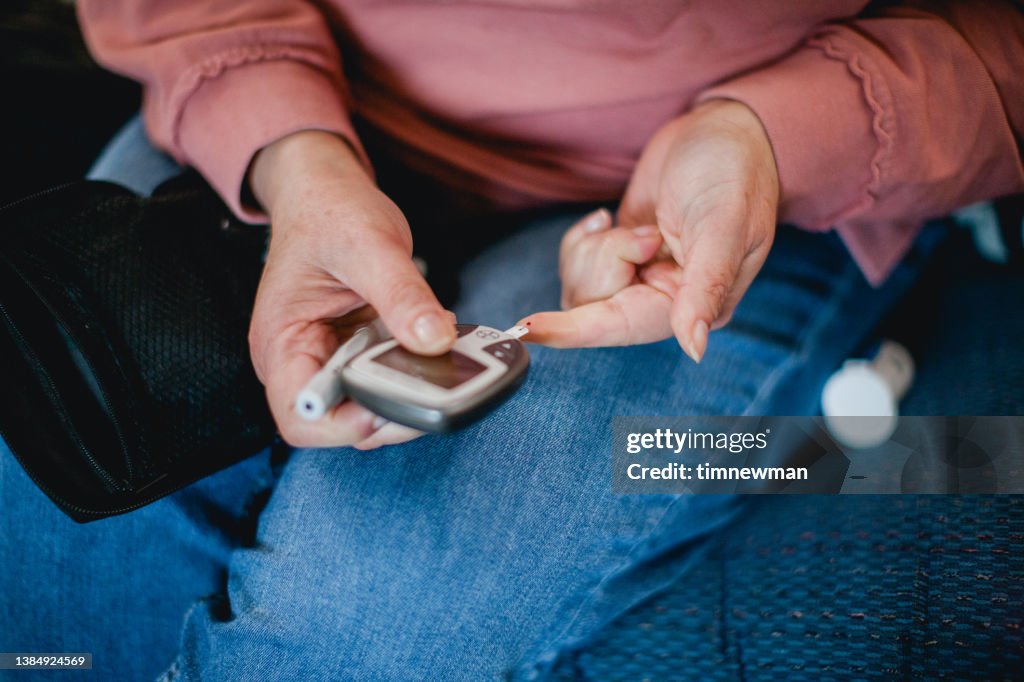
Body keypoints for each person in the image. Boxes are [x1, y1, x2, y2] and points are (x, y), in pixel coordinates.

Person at [1, 1, 1022, 679]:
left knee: (349, 638)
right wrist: (288, 155)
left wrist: (782, 132)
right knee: (62, 538)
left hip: (749, 185)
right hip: (283, 116)